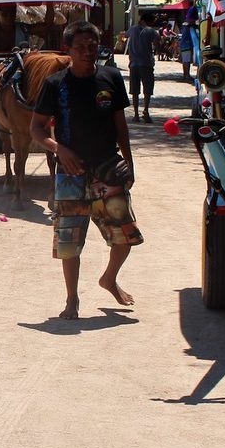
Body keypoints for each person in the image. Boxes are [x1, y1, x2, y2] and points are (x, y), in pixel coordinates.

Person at [30, 21, 142, 319]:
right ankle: (72, 299)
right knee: (69, 242)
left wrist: (128, 162)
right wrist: (58, 149)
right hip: (70, 173)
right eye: (80, 47)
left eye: (92, 46)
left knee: (125, 236)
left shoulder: (111, 78)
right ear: (69, 49)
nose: (87, 52)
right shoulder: (56, 85)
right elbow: (37, 128)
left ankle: (109, 278)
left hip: (108, 169)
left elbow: (120, 125)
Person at [124, 12, 160, 122]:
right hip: (146, 63)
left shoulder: (132, 29)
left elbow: (125, 35)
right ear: (149, 21)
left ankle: (135, 114)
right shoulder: (151, 31)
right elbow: (157, 43)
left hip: (133, 64)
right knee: (147, 89)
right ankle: (145, 110)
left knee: (135, 91)